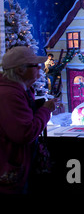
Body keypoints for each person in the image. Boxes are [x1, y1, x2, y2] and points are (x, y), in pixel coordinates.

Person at [0, 46, 57, 194]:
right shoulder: (10, 95)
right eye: (35, 65)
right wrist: (45, 110)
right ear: (20, 70)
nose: (40, 68)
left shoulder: (17, 90)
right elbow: (25, 133)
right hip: (9, 173)